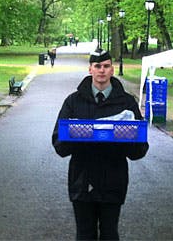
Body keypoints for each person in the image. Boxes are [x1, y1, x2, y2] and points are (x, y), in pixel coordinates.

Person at [52, 49, 149, 240]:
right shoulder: (73, 101)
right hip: (82, 180)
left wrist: (123, 139)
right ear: (90, 69)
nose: (102, 71)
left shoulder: (127, 103)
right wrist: (80, 136)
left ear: (112, 70)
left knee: (110, 234)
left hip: (113, 180)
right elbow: (59, 144)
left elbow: (139, 150)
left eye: (106, 66)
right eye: (97, 66)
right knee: (85, 234)